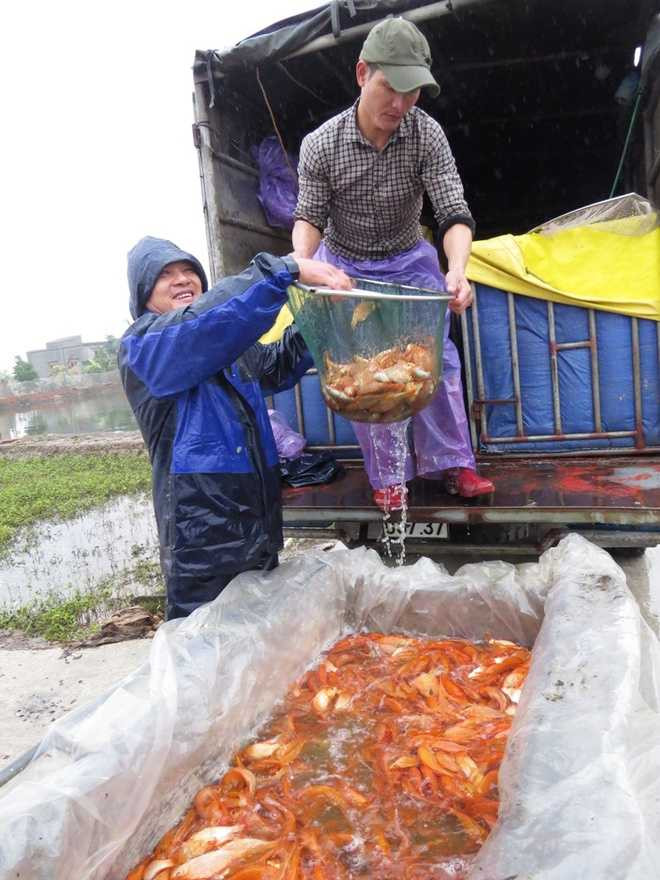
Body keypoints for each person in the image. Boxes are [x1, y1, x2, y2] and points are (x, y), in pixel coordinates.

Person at [292, 16, 494, 510]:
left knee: (436, 363)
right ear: (362, 74)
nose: (400, 105)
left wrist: (458, 269)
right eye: (390, 88)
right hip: (347, 267)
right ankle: (388, 478)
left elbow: (452, 210)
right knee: (363, 373)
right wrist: (302, 264)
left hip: (409, 261)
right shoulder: (321, 145)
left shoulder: (427, 134)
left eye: (413, 93)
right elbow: (309, 217)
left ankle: (455, 464)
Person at [119, 236, 351, 619]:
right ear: (144, 295)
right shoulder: (146, 346)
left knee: (258, 650)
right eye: (166, 275)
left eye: (189, 271)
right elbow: (205, 326)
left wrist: (319, 312)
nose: (182, 280)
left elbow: (275, 364)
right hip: (202, 549)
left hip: (257, 532)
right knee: (204, 654)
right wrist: (284, 269)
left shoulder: (226, 347)